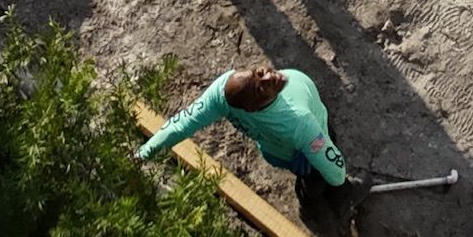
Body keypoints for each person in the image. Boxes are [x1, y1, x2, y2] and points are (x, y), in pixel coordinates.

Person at [137, 66, 348, 188]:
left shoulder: (222, 91)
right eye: (260, 88)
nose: (268, 77)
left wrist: (143, 153)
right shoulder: (299, 122)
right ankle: (314, 198)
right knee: (316, 177)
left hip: (274, 152)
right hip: (306, 143)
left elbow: (182, 123)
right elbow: (337, 175)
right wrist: (335, 176)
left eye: (258, 72)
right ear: (253, 108)